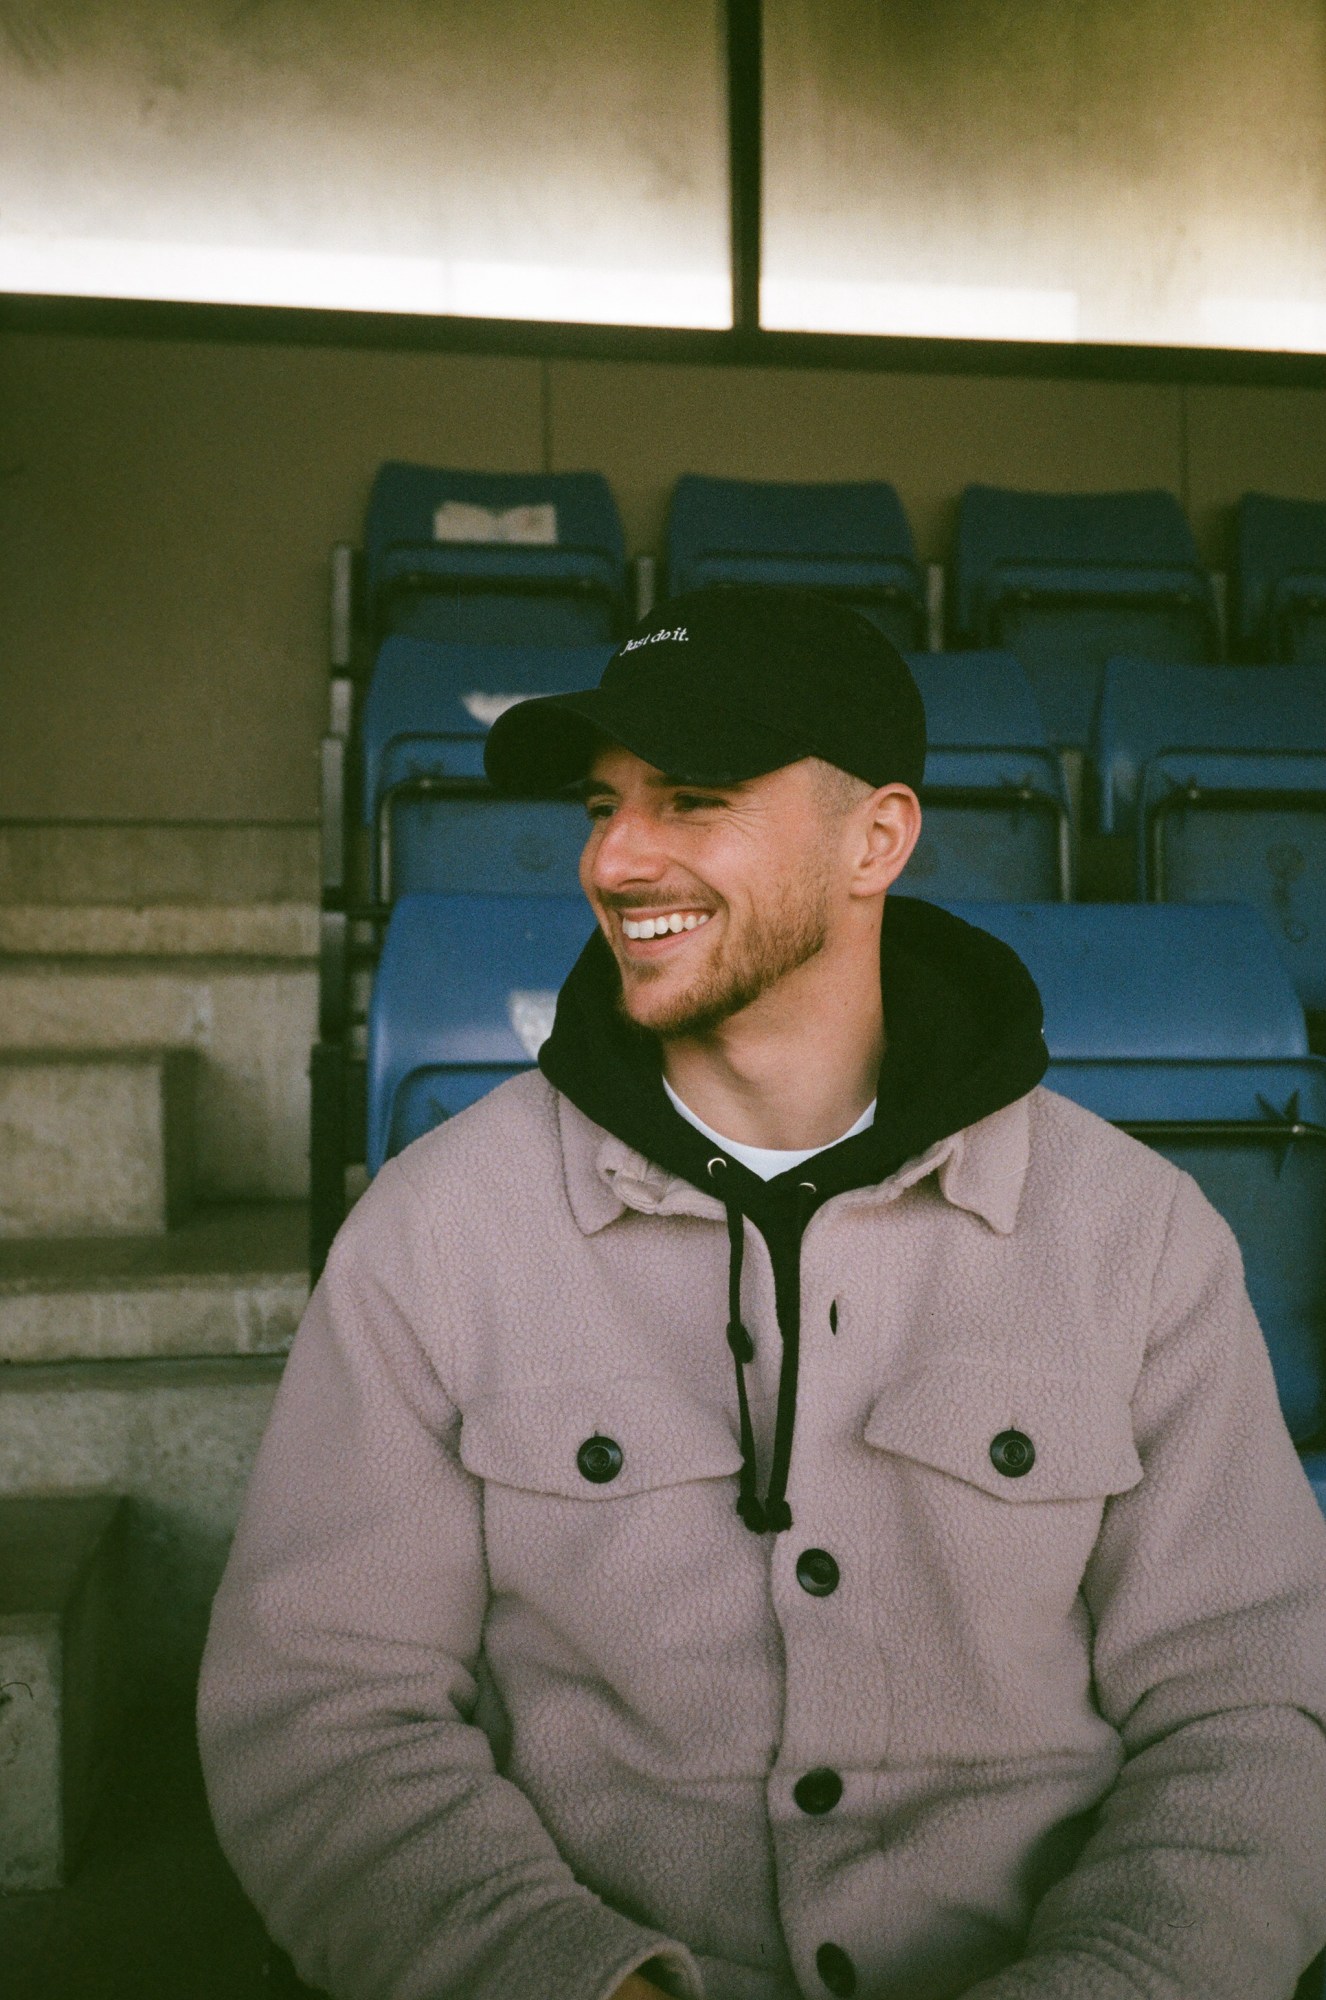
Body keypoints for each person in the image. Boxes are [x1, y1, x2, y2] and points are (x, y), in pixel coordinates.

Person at [198, 586, 1326, 2000]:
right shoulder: (435, 1229)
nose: (615, 857)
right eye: (603, 805)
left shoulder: (1135, 1234)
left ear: (878, 838)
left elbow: (1254, 1714)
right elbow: (322, 1711)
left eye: (693, 796)